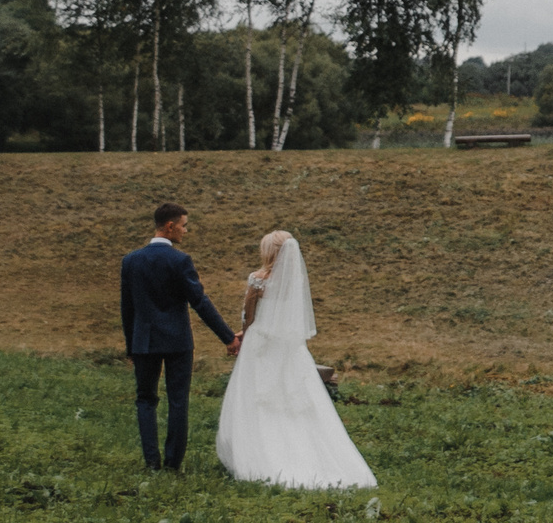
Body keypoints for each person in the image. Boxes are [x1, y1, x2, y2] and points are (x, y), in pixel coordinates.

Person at [215, 230, 377, 490]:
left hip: (262, 344)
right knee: (294, 400)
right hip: (289, 346)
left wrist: (242, 333)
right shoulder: (294, 282)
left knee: (257, 397)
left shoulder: (258, 280)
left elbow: (249, 315)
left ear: (269, 252)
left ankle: (258, 452)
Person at [119, 202, 240, 473]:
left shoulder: (131, 261)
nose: (186, 231)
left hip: (144, 341)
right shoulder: (180, 261)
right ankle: (173, 464)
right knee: (177, 400)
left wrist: (131, 346)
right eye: (184, 225)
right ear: (170, 226)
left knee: (145, 399)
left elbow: (127, 308)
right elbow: (200, 302)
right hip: (177, 342)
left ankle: (151, 462)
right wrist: (228, 337)